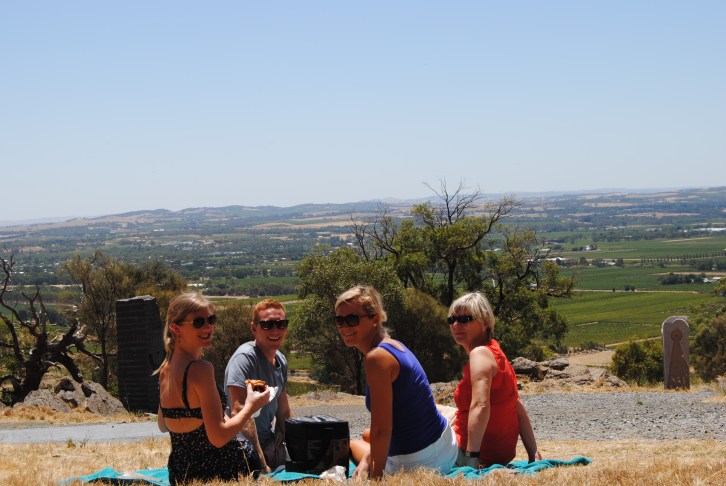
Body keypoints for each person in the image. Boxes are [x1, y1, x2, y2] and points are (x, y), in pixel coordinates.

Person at [335, 285, 458, 480]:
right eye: (339, 320)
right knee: (366, 436)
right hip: (444, 445)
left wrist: (376, 478)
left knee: (349, 444)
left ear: (375, 319)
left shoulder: (376, 358)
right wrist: (370, 455)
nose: (344, 326)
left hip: (422, 461)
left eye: (352, 319)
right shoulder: (393, 345)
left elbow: (382, 430)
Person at [156, 292, 268, 485]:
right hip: (220, 470)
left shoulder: (166, 368)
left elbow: (163, 424)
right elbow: (218, 438)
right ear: (176, 328)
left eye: (211, 319)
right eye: (198, 322)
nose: (208, 327)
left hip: (180, 473)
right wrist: (251, 406)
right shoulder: (200, 369)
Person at [446, 291, 542, 468]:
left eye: (465, 319)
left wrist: (472, 460)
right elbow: (516, 404)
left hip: (468, 452)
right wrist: (533, 453)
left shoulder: (479, 354)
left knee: (418, 412)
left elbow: (481, 405)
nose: (456, 325)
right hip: (501, 454)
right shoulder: (495, 352)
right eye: (452, 320)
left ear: (484, 322)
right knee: (440, 410)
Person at [225, 298, 292, 471]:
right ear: (254, 328)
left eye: (281, 324)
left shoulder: (281, 360)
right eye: (267, 325)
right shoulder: (244, 359)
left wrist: (291, 440)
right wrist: (261, 462)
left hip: (268, 443)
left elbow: (283, 411)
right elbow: (238, 410)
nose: (275, 330)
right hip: (242, 446)